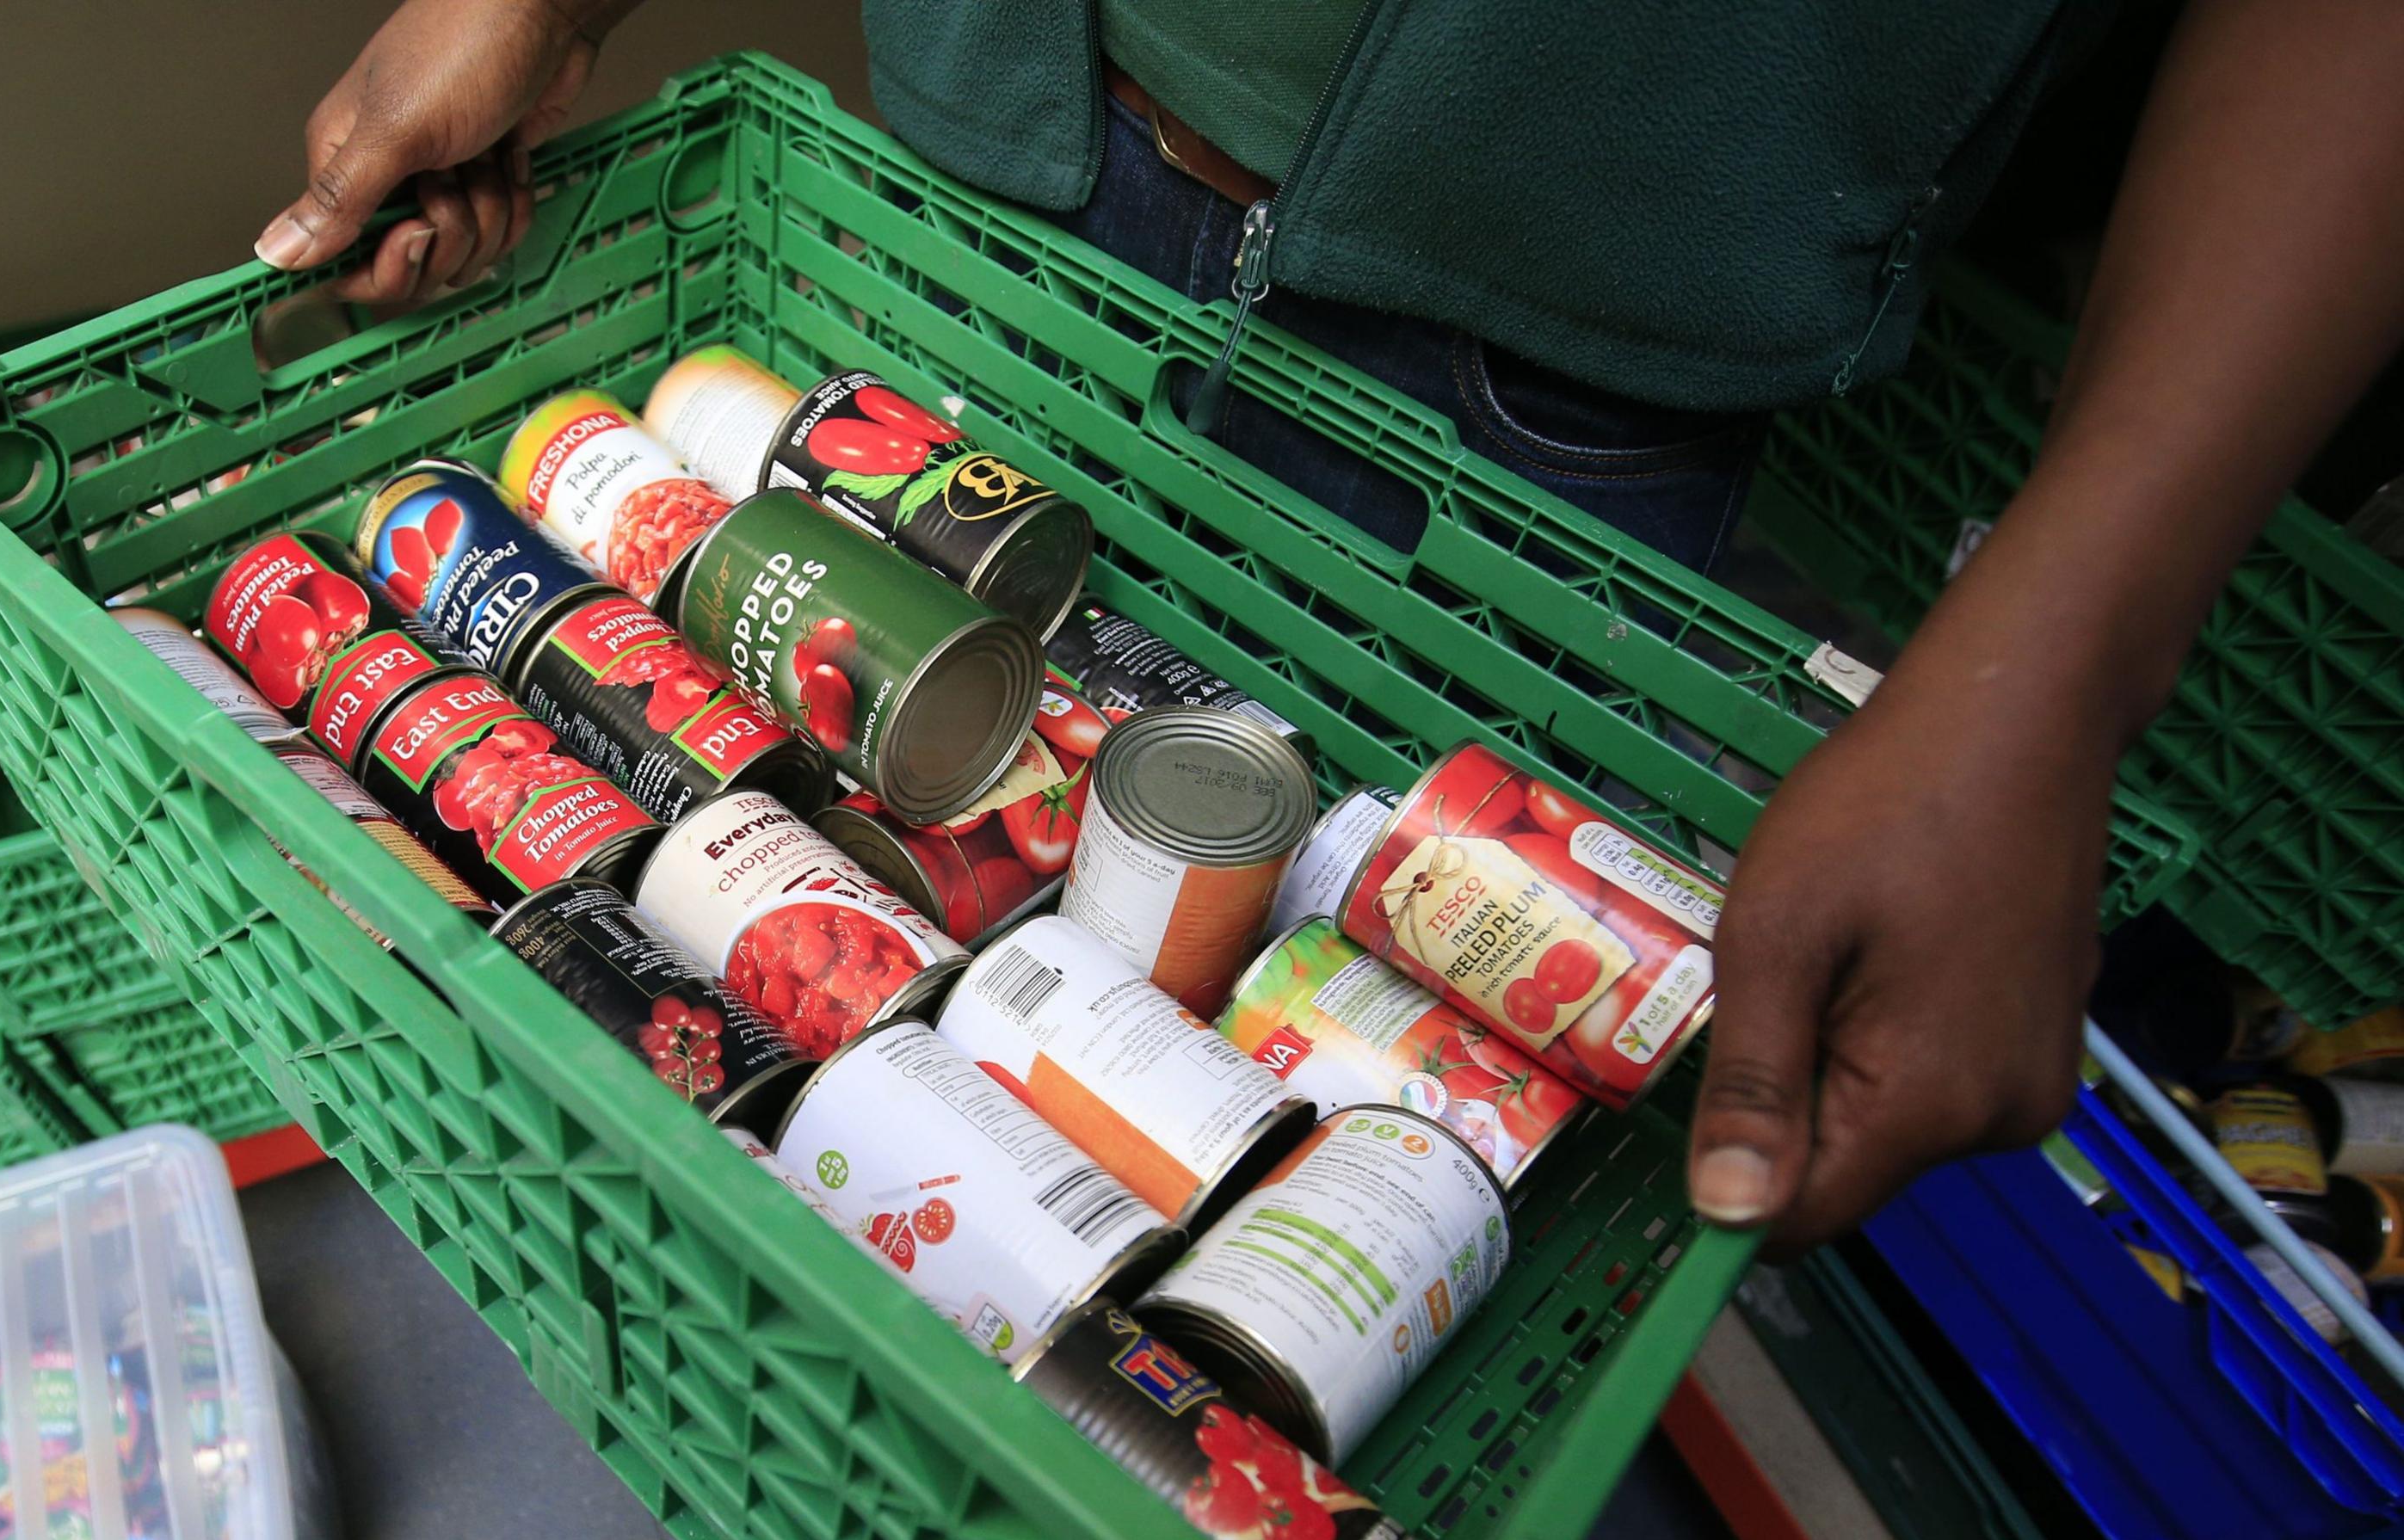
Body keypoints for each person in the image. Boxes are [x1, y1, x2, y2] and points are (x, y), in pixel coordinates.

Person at [252, 0, 2404, 1253]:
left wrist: (2059, 678)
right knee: (928, 860)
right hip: (992, 153)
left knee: (1378, 1016)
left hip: (1580, 370)